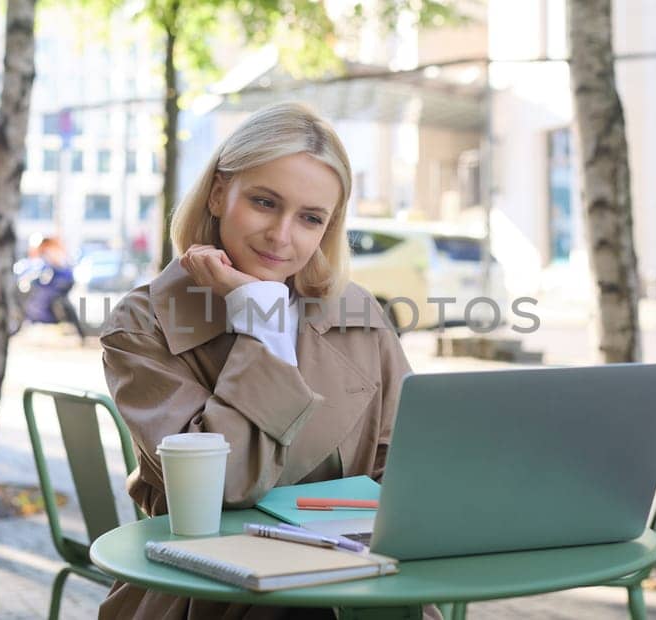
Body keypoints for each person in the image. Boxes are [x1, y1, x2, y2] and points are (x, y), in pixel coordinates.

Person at [98, 102, 424, 619]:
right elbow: (225, 487)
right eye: (265, 202)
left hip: (354, 585)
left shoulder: (359, 314)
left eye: (310, 218)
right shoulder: (142, 324)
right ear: (219, 192)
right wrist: (262, 321)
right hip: (207, 593)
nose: (281, 235)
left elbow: (410, 471)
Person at [18, 236, 86, 344]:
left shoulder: (52, 254)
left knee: (52, 301)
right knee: (38, 300)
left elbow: (57, 270)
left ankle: (74, 330)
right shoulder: (45, 257)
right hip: (54, 285)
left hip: (59, 285)